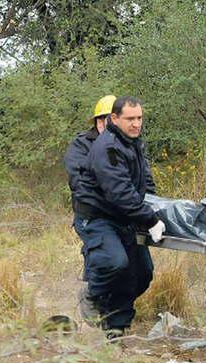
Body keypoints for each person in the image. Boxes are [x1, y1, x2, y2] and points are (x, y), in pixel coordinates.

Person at [72, 96, 166, 339]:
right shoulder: (107, 147)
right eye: (130, 119)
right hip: (98, 217)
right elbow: (120, 191)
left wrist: (152, 206)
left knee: (141, 274)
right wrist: (150, 219)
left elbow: (143, 181)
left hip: (124, 217)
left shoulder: (132, 143)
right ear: (114, 119)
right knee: (114, 262)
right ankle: (93, 295)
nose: (136, 124)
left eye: (139, 118)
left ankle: (117, 327)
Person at [63, 94, 117, 204]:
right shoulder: (81, 144)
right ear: (96, 122)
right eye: (101, 120)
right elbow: (78, 182)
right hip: (92, 211)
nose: (105, 125)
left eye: (109, 120)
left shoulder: (130, 144)